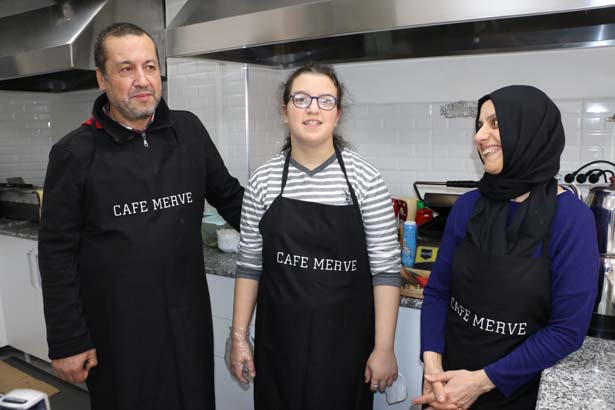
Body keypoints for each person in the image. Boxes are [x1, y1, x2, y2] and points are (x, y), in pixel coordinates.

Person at [38, 22, 244, 410]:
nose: (142, 79)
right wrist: (67, 340)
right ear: (102, 79)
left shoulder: (188, 131)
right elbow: (56, 253)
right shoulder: (74, 153)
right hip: (118, 331)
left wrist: (296, 233)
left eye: (150, 66)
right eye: (126, 68)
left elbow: (232, 199)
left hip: (187, 321)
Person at [413, 85, 599, 410]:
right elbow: (439, 292)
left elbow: (567, 330)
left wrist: (479, 382)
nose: (479, 136)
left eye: (495, 123)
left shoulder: (572, 220)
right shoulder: (467, 206)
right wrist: (433, 368)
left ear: (530, 132)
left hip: (511, 391)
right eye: (479, 125)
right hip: (444, 385)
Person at [228, 63, 401, 410]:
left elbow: (385, 270)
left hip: (346, 349)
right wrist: (238, 337)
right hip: (279, 347)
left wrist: (384, 349)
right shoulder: (263, 180)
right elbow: (249, 265)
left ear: (337, 114)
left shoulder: (365, 179)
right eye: (301, 99)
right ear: (285, 111)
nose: (313, 108)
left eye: (325, 100)